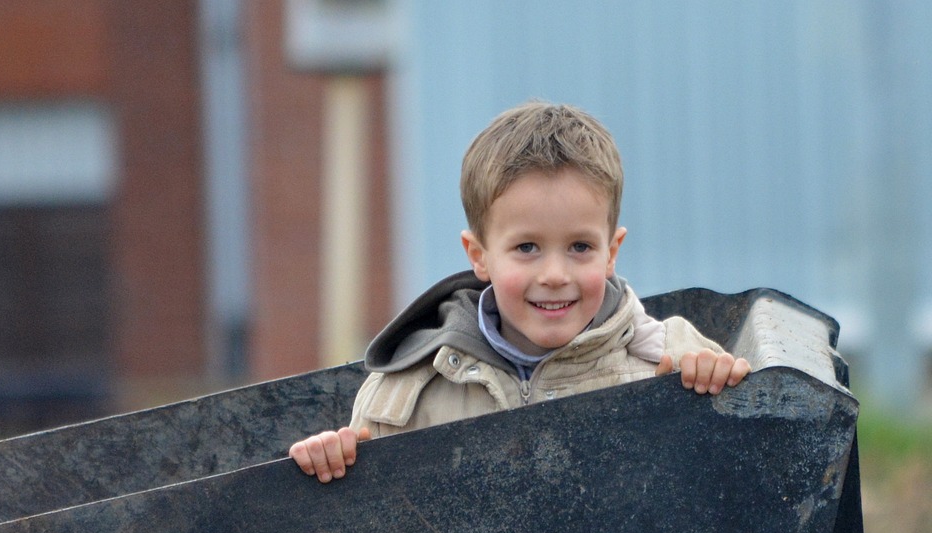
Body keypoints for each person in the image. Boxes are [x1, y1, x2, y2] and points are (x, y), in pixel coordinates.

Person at [290, 101, 750, 483]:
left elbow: (734, 481)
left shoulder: (671, 360)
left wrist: (717, 387)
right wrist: (332, 465)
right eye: (527, 247)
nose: (554, 274)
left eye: (580, 247)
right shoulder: (405, 395)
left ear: (612, 252)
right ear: (480, 254)